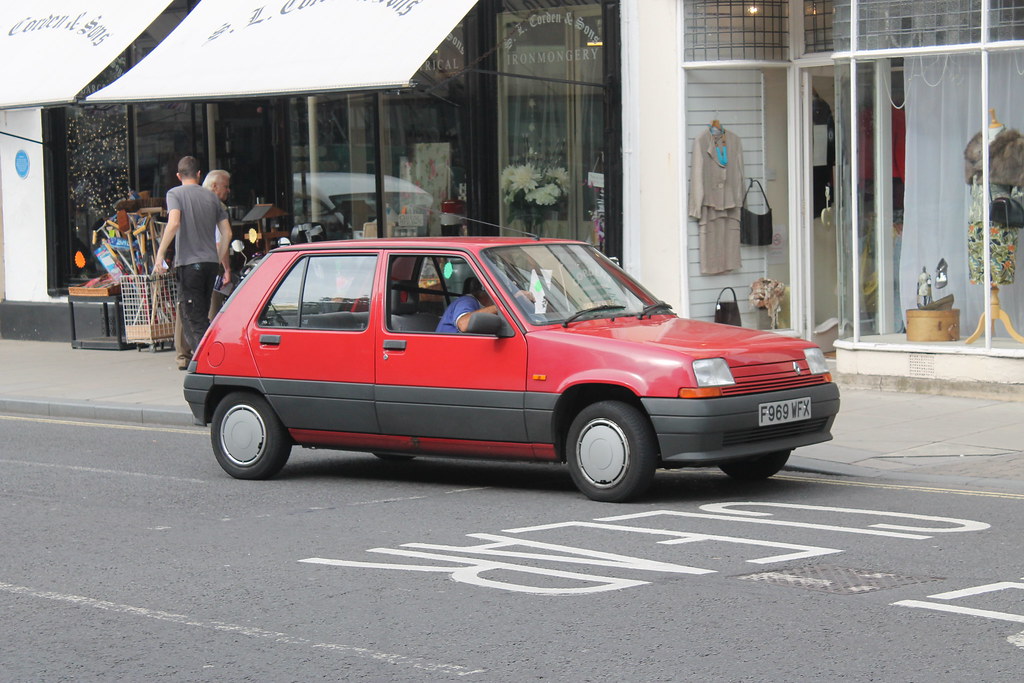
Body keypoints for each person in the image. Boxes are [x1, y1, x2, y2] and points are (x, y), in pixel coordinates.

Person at [155, 157, 232, 364]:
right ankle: (209, 356)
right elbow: (227, 233)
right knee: (203, 313)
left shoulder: (174, 193)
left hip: (189, 263)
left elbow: (174, 223)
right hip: (209, 265)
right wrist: (218, 259)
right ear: (199, 174)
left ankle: (209, 360)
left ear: (179, 176)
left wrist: (160, 254)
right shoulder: (212, 198)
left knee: (192, 317)